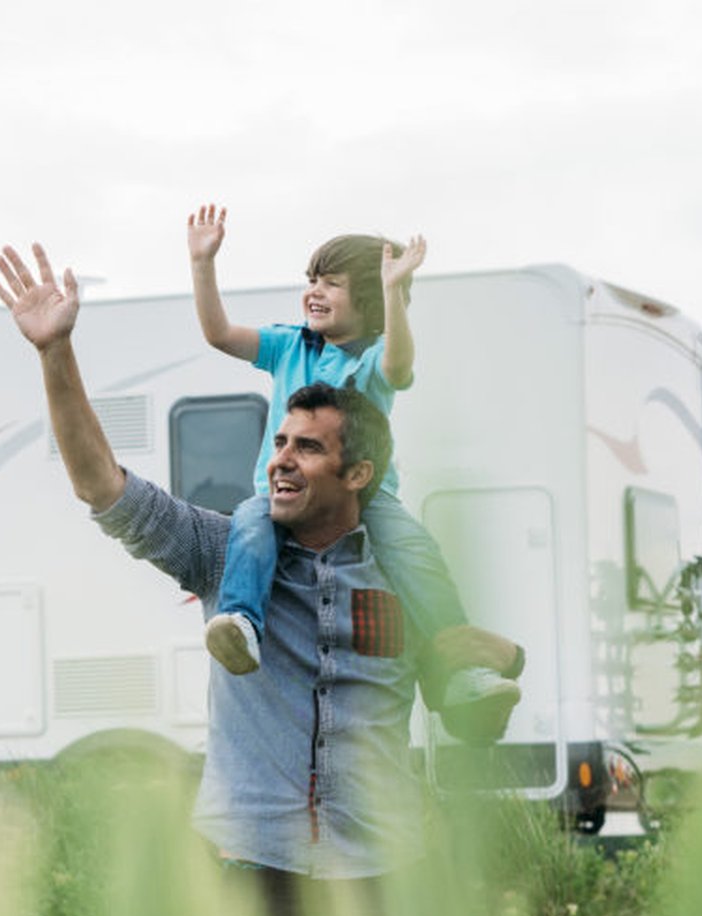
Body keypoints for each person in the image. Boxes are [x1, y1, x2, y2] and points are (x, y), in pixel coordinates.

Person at [0, 241, 521, 916]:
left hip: (384, 880)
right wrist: (55, 354)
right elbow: (101, 487)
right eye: (279, 442)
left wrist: (494, 670)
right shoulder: (223, 551)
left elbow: (463, 714)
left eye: (307, 448)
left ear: (359, 472)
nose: (280, 459)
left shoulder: (402, 574)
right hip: (249, 869)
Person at [185, 204, 523, 742]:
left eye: (332, 283)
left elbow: (398, 365)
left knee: (416, 552)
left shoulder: (372, 360)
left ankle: (462, 668)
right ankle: (243, 626)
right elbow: (219, 333)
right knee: (250, 529)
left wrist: (393, 292)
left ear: (365, 300)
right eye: (311, 280)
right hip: (281, 493)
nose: (314, 291)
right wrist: (203, 263)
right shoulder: (290, 344)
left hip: (365, 498)